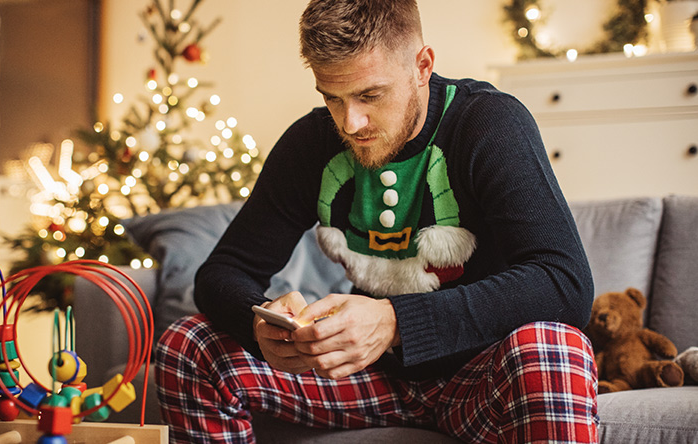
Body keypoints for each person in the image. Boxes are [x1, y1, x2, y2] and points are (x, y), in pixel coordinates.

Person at [155, 0, 599, 442]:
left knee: (553, 350)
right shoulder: (310, 143)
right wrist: (260, 324)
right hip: (365, 376)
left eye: (370, 95)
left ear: (422, 66)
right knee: (188, 345)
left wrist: (395, 322)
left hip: (480, 378)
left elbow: (565, 284)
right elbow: (222, 272)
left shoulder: (489, 123)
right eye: (332, 98)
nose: (351, 123)